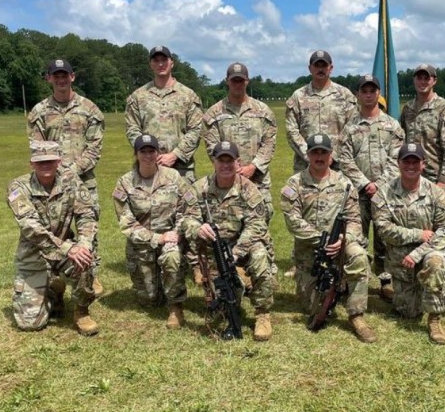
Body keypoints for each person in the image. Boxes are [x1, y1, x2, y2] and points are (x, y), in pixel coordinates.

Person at [280, 133, 375, 343]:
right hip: (310, 255)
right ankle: (338, 286)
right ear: (308, 155)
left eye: (324, 152)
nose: (319, 157)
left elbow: (355, 221)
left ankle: (356, 315)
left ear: (331, 156)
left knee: (359, 255)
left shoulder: (345, 184)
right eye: (315, 152)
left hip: (340, 247)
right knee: (312, 306)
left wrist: (344, 240)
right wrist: (322, 241)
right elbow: (292, 221)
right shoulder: (294, 184)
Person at [28, 58, 105, 296]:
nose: (61, 79)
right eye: (56, 75)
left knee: (88, 226)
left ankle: (91, 271)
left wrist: (72, 171)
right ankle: (54, 272)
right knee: (52, 226)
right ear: (49, 79)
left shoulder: (90, 109)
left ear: (72, 77)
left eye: (65, 75)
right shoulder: (39, 112)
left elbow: (95, 147)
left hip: (83, 181)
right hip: (50, 183)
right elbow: (37, 148)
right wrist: (57, 172)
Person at [7, 140, 98, 336]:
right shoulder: (18, 187)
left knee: (85, 259)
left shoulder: (71, 180)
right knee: (30, 324)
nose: (45, 165)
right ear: (32, 163)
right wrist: (68, 248)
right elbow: (32, 229)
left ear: (58, 161)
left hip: (66, 252)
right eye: (40, 162)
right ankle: (53, 289)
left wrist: (83, 244)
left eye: (49, 160)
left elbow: (86, 214)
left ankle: (82, 311)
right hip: (35, 256)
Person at [188, 141, 274, 341]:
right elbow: (185, 218)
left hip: (243, 247)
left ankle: (262, 314)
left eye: (230, 160)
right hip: (214, 250)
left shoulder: (249, 189)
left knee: (260, 255)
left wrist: (236, 252)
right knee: (222, 301)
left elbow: (257, 224)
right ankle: (235, 288)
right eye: (221, 160)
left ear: (238, 162)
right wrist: (197, 227)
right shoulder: (199, 188)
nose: (225, 165)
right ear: (214, 161)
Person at [371, 143, 445, 344]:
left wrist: (418, 253)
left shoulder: (437, 195)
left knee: (436, 263)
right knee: (408, 312)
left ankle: (435, 319)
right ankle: (415, 291)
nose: (411, 165)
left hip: (430, 252)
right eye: (406, 161)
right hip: (402, 263)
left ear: (423, 164)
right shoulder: (383, 195)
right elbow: (384, 229)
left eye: (415, 161)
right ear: (398, 163)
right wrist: (418, 234)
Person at [112, 134, 199, 328]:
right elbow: (127, 224)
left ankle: (176, 306)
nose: (148, 155)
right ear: (136, 154)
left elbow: (188, 208)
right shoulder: (125, 183)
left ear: (157, 153)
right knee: (150, 301)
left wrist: (176, 234)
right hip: (142, 246)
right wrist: (156, 238)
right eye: (143, 151)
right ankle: (158, 287)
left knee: (171, 257)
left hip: (171, 240)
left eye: (152, 151)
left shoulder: (174, 177)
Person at [338, 74, 405, 296]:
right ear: (358, 95)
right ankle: (355, 278)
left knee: (385, 238)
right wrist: (365, 183)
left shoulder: (391, 125)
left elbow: (397, 158)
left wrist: (380, 185)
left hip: (386, 194)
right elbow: (345, 159)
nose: (368, 95)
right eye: (364, 91)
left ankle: (386, 280)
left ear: (379, 93)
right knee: (356, 236)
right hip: (358, 194)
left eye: (372, 90)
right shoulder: (349, 128)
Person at [202, 62, 277, 220]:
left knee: (259, 229)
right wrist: (232, 169)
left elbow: (269, 143)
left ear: (247, 81)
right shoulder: (213, 113)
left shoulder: (263, 111)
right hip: (226, 182)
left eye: (241, 80)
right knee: (228, 227)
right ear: (227, 81)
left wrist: (253, 167)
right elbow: (212, 148)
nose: (238, 84)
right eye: (234, 80)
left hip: (258, 182)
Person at [125, 45, 204, 182]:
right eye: (156, 60)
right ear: (150, 64)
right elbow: (132, 128)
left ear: (172, 63)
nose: (160, 64)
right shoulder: (138, 96)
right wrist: (148, 154)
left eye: (164, 60)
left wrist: (175, 154)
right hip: (148, 168)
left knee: (184, 204)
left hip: (181, 169)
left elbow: (196, 130)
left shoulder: (188, 96)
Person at [285, 49, 357, 173]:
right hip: (305, 167)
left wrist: (332, 156)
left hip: (337, 167)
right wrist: (310, 155)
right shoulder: (298, 96)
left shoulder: (345, 96)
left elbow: (352, 129)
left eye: (324, 65)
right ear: (310, 68)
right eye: (316, 65)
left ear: (331, 68)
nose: (320, 69)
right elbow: (291, 131)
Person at [400, 64, 445, 186]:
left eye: (426, 78)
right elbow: (401, 142)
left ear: (434, 81)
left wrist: (443, 182)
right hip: (410, 178)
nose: (422, 82)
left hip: (434, 179)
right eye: (419, 78)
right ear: (414, 80)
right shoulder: (408, 109)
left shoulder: (444, 109)